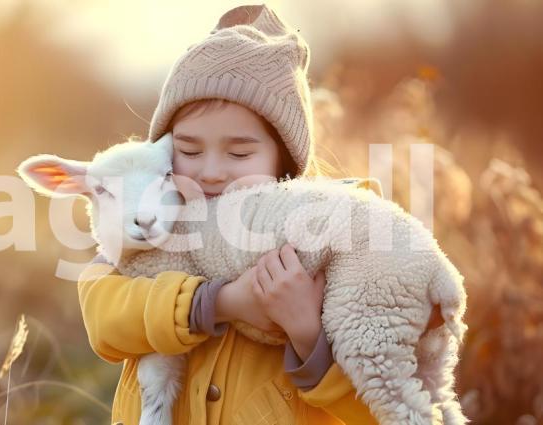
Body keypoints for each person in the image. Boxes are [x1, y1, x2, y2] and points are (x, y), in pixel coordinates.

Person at [77, 5, 442, 424]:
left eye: (239, 152)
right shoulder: (149, 232)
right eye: (190, 150)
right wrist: (222, 302)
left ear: (282, 160)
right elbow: (103, 317)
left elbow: (375, 409)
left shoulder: (329, 246)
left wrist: (308, 334)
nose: (211, 172)